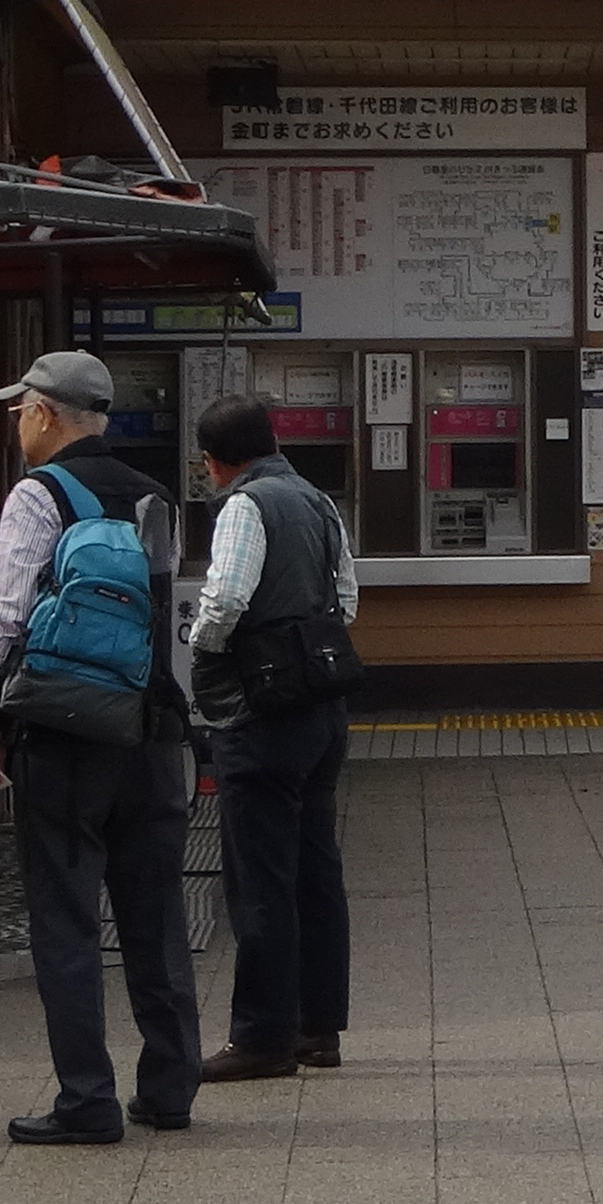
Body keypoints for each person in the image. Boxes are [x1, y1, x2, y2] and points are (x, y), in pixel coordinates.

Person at [0, 349, 202, 1145]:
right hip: (151, 731)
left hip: (65, 734)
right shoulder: (155, 496)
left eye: (20, 410)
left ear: (45, 414)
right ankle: (170, 1089)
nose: (17, 425)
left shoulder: (39, 495)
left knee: (66, 916)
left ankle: (87, 1100)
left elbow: (6, 616)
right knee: (157, 915)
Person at [185, 395, 360, 1080]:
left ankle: (262, 1036)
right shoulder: (319, 502)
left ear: (217, 459)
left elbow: (225, 598)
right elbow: (346, 598)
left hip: (261, 710)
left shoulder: (245, 506)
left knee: (260, 875)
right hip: (323, 709)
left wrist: (201, 646)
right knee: (317, 870)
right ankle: (320, 1029)